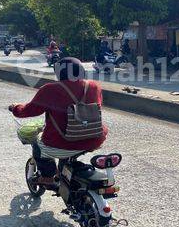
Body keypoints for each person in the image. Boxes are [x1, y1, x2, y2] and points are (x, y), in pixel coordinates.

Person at [9, 57, 107, 185]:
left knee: (36, 142)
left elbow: (28, 111)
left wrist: (15, 108)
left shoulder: (50, 89)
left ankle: (48, 177)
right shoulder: (94, 87)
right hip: (93, 139)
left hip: (61, 143)